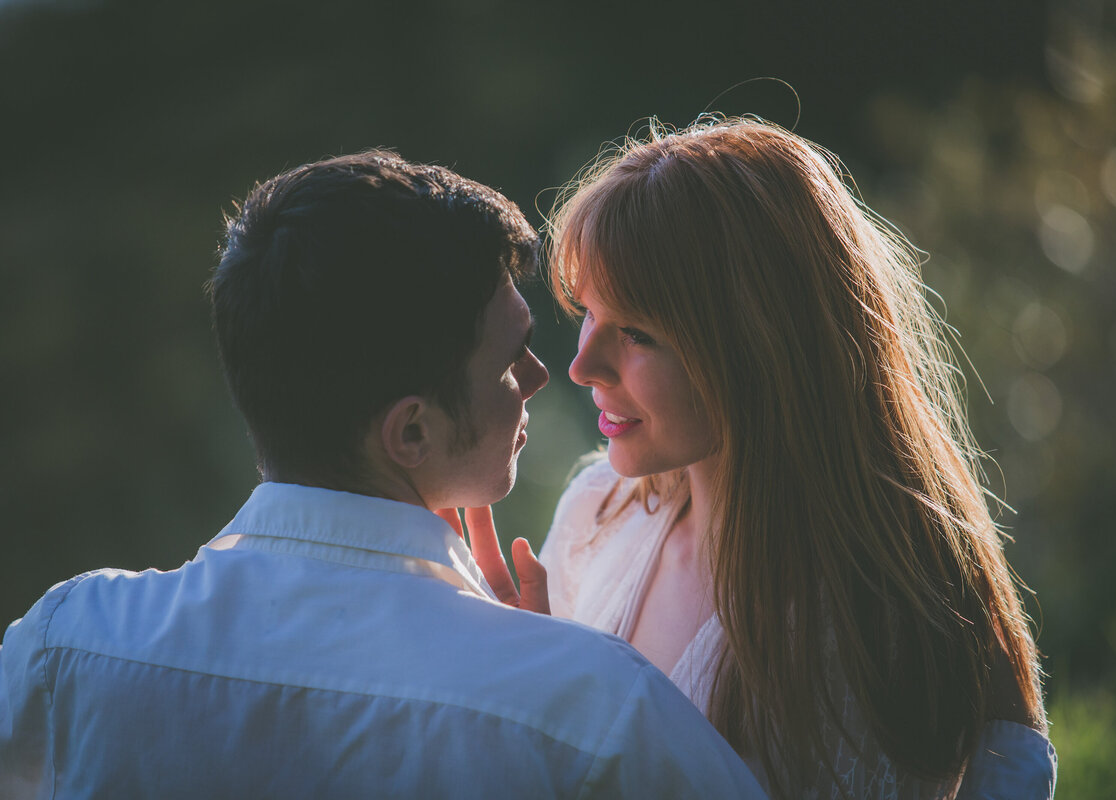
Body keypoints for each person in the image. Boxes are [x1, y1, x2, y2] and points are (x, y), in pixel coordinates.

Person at [0, 151, 767, 798]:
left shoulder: (68, 648)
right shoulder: (597, 712)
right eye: (508, 359)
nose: (543, 374)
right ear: (411, 430)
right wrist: (538, 674)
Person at [535, 118, 1058, 799]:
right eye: (586, 312)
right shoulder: (596, 514)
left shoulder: (870, 614)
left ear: (760, 345)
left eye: (636, 333)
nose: (580, 366)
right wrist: (530, 680)